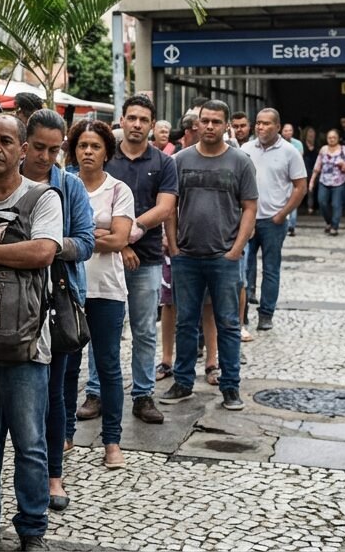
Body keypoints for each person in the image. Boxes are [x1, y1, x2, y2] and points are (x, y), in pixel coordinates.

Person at [0, 114, 63, 551]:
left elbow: (42, 252)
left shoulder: (44, 198)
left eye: (6, 140)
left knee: (30, 444)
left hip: (27, 346)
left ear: (22, 149)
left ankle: (32, 528)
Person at [78, 95, 174, 427]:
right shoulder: (107, 159)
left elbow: (165, 207)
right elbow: (90, 216)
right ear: (121, 120)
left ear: (152, 124)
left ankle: (143, 395)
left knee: (145, 330)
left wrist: (128, 234)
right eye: (131, 118)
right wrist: (119, 247)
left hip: (145, 260)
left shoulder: (163, 163)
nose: (136, 124)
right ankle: (96, 392)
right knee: (101, 328)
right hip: (106, 261)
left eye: (143, 119)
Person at [160, 100, 257, 412]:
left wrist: (236, 250)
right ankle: (183, 382)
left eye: (217, 121)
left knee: (228, 323)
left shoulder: (240, 162)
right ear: (196, 124)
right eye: (206, 121)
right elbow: (170, 206)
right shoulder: (179, 160)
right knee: (186, 322)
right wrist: (173, 246)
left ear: (226, 125)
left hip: (224, 258)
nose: (211, 126)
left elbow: (250, 208)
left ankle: (230, 386)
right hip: (186, 256)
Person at [19, 110, 95, 512]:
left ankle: (53, 476)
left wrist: (46, 245)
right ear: (24, 144)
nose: (46, 157)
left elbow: (86, 242)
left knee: (54, 394)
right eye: (40, 148)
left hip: (58, 300)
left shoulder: (70, 186)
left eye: (55, 149)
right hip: (8, 305)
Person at [69, 120, 134, 469]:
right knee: (67, 365)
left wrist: (78, 238)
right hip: (69, 287)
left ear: (107, 151)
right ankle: (65, 434)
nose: (88, 152)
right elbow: (55, 234)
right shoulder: (64, 185)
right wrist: (98, 233)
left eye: (95, 146)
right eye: (82, 146)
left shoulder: (119, 189)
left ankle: (112, 441)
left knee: (108, 366)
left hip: (107, 290)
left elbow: (121, 238)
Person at [241, 109, 308, 332]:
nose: (260, 127)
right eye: (258, 123)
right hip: (247, 220)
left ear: (277, 127)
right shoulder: (246, 149)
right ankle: (242, 315)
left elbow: (301, 186)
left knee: (271, 269)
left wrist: (283, 214)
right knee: (243, 269)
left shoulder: (289, 152)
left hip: (273, 221)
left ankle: (266, 313)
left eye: (266, 124)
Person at [310, 129, 345, 235]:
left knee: (336, 204)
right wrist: (312, 181)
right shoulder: (323, 150)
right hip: (324, 180)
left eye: (334, 137)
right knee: (322, 202)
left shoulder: (343, 149)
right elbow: (317, 166)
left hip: (339, 181)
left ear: (338, 138)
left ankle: (334, 226)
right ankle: (328, 221)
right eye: (329, 138)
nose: (331, 139)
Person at [280, 123, 305, 236]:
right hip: (280, 175)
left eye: (290, 130)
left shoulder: (297, 144)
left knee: (293, 198)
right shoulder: (277, 142)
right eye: (285, 130)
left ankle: (291, 226)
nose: (287, 132)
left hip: (293, 175)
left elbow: (299, 158)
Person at [301, 125, 320, 214]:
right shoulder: (302, 146)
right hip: (305, 170)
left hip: (316, 170)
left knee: (316, 188)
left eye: (312, 132)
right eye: (309, 132)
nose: (311, 134)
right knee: (309, 189)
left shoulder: (317, 146)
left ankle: (315, 206)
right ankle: (310, 207)